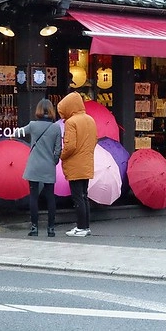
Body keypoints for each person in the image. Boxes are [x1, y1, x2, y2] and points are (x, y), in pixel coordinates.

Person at [13, 99, 62, 237]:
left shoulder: (33, 125)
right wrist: (54, 161)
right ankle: (51, 229)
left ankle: (34, 228)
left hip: (34, 165)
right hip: (48, 166)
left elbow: (19, 132)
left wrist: (11, 135)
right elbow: (58, 149)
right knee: (50, 197)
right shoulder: (55, 128)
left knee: (33, 197)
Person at [57, 91, 97, 237]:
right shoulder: (90, 120)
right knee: (84, 195)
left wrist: (62, 155)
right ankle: (85, 226)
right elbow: (94, 140)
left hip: (74, 164)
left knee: (77, 196)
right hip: (86, 162)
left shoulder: (71, 122)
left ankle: (81, 227)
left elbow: (70, 145)